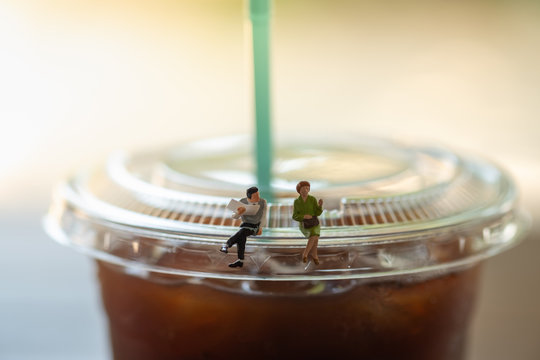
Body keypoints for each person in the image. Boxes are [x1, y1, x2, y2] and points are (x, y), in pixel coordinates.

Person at [220, 187, 267, 268]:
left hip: (255, 226)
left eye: (258, 195)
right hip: (245, 225)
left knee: (242, 232)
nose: (258, 198)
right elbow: (234, 217)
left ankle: (226, 245)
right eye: (256, 196)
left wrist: (261, 227)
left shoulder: (262, 202)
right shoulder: (243, 201)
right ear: (249, 197)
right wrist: (239, 213)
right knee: (241, 238)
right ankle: (240, 261)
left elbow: (264, 216)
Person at [292, 181, 323, 265]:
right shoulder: (297, 202)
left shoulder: (312, 199)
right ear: (299, 190)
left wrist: (319, 206)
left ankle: (307, 254)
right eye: (303, 188)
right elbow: (294, 216)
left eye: (307, 188)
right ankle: (312, 254)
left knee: (315, 236)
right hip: (304, 224)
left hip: (314, 222)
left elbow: (317, 213)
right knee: (314, 237)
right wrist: (304, 216)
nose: (305, 190)